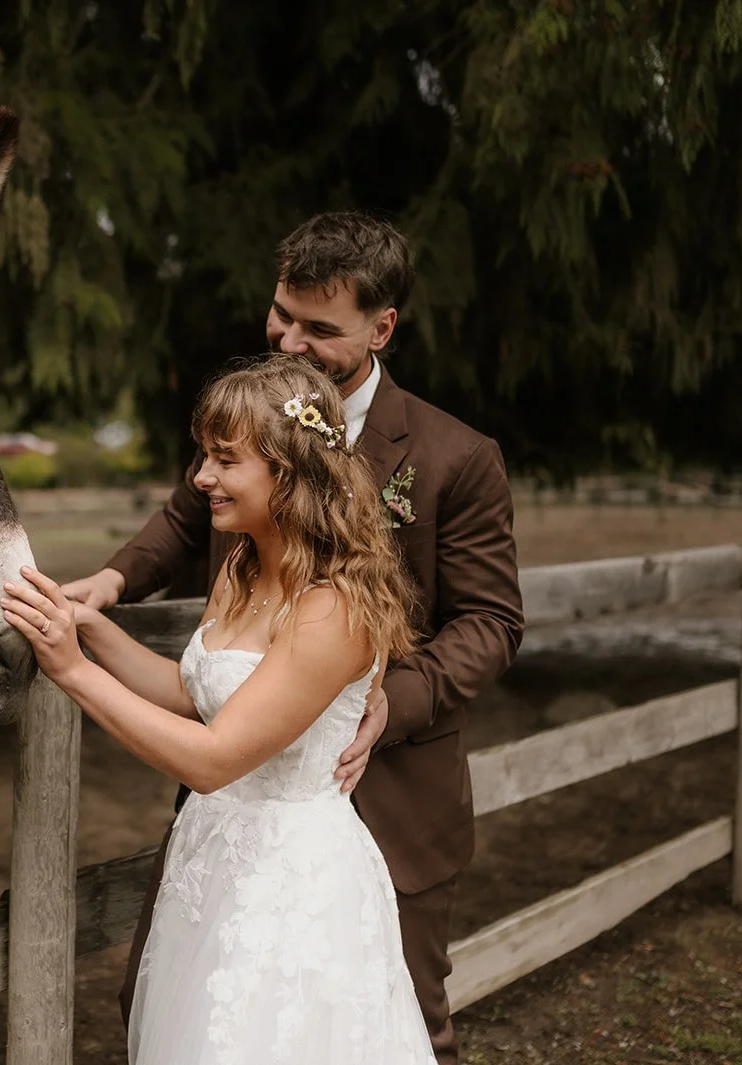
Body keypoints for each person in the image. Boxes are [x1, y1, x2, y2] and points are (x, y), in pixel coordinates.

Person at [63, 212, 525, 1063]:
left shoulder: (454, 457)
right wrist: (113, 584)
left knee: (390, 1017)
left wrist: (394, 700)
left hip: (387, 792)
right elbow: (180, 517)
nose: (290, 339)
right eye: (282, 315)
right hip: (240, 802)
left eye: (321, 327)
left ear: (382, 327)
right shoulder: (247, 432)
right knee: (178, 1003)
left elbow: (493, 621)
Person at [3, 357, 435, 1063]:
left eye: (224, 459)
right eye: (204, 454)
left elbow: (212, 757)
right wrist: (86, 624)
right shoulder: (242, 565)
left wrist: (71, 670)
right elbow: (193, 691)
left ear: (290, 473)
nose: (201, 476)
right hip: (211, 860)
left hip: (291, 882)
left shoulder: (333, 609)